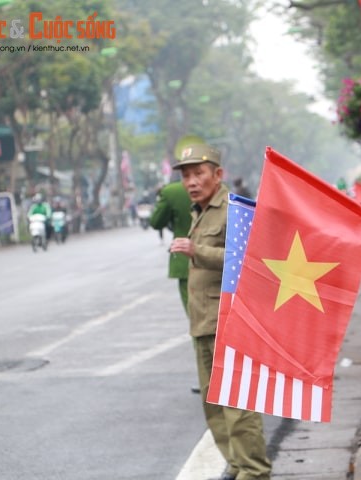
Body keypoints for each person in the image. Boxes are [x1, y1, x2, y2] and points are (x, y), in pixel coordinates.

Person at [169, 144, 271, 480]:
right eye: (186, 176)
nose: (191, 182)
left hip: (228, 322)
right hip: (203, 324)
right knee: (213, 408)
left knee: (237, 407)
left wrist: (198, 250)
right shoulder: (199, 210)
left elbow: (248, 260)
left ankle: (254, 472)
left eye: (198, 173)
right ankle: (238, 465)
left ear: (218, 174)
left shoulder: (232, 209)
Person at [150, 180, 192, 312]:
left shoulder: (171, 192)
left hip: (186, 262)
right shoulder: (220, 188)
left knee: (195, 317)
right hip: (220, 265)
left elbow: (156, 222)